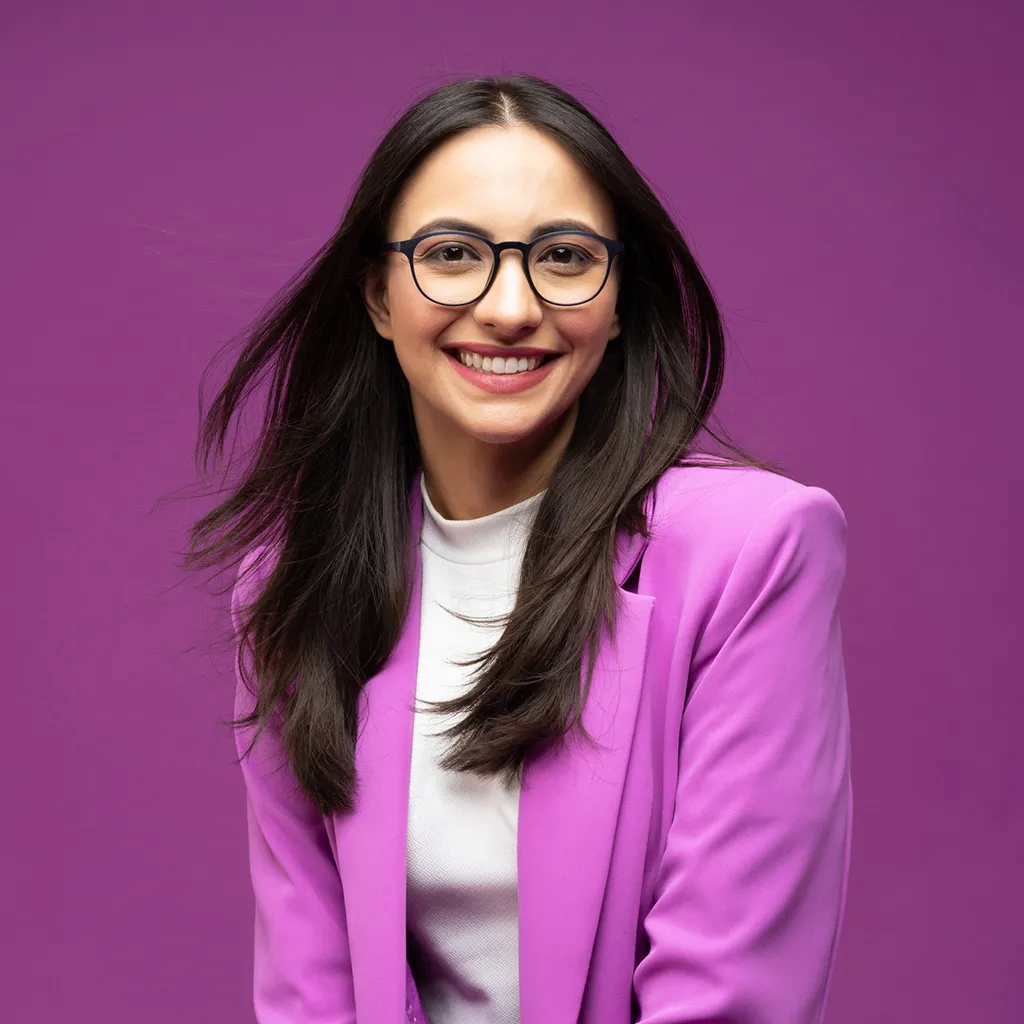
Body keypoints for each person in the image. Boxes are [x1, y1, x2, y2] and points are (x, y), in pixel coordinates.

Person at [186, 74, 851, 1024]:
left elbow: (730, 995)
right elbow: (311, 989)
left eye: (565, 257)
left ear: (619, 300)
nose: (508, 307)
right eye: (452, 254)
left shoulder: (753, 552)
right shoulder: (293, 586)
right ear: (378, 294)